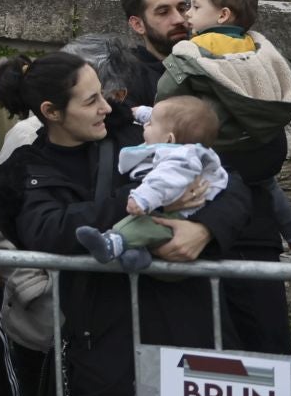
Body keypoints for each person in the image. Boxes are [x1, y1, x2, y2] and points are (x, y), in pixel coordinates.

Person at [0, 51, 250, 396]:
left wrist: (205, 228)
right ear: (52, 113)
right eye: (91, 101)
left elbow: (233, 183)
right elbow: (52, 231)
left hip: (191, 328)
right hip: (108, 343)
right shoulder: (27, 171)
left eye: (103, 95)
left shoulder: (139, 131)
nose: (107, 108)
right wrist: (141, 199)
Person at [77, 95, 227, 271]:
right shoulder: (182, 144)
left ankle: (112, 243)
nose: (146, 125)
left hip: (176, 219)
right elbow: (160, 117)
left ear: (169, 139)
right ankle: (137, 255)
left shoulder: (180, 159)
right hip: (174, 220)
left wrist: (141, 199)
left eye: (150, 124)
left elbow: (162, 181)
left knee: (141, 224)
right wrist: (139, 112)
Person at [62, 0, 191, 111]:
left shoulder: (209, 58)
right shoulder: (127, 78)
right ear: (137, 25)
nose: (179, 19)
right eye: (163, 12)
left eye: (182, 9)